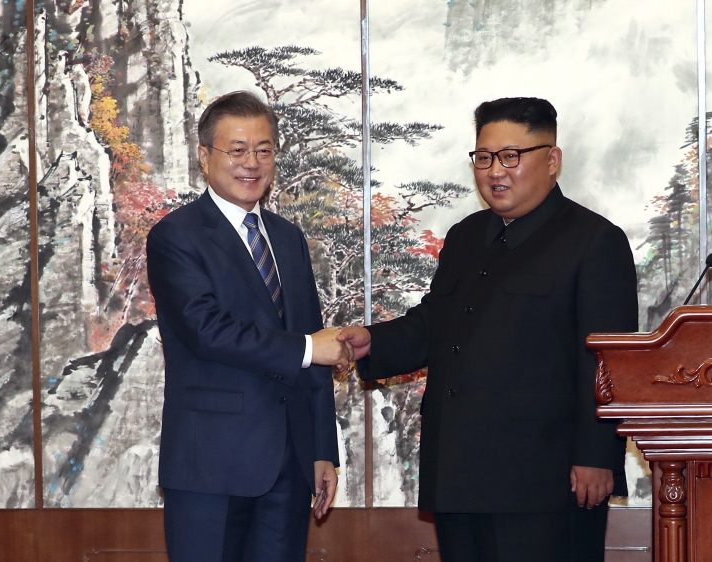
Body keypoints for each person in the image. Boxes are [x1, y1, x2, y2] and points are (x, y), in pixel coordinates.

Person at [339, 97, 638, 562]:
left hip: (545, 480)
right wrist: (372, 342)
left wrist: (597, 455)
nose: (495, 171)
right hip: (460, 472)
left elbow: (608, 362)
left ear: (552, 160)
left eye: (511, 156)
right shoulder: (465, 236)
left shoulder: (594, 241)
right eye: (484, 157)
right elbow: (434, 324)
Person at [146, 91, 350, 562]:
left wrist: (323, 450)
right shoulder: (177, 235)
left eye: (264, 149)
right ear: (204, 156)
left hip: (289, 466)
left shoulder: (287, 237)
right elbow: (206, 329)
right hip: (209, 466)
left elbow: (314, 345)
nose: (252, 163)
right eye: (237, 150)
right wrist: (305, 349)